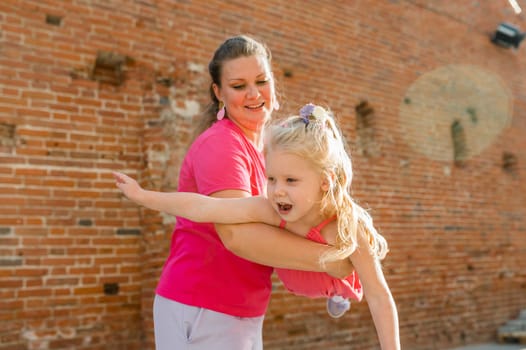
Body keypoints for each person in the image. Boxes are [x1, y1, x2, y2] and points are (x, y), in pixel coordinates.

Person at [121, 35, 354, 350]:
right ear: (218, 92)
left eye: (261, 80)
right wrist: (335, 260)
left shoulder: (267, 152)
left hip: (238, 309)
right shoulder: (222, 145)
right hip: (203, 307)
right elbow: (237, 237)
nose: (254, 93)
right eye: (239, 85)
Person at [114, 103, 401, 349]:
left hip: (334, 283)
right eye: (272, 178)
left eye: (291, 181)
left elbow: (379, 295)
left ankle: (338, 299)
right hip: (298, 277)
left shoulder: (348, 226)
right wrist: (144, 195)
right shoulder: (268, 208)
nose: (277, 190)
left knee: (342, 292)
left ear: (324, 181)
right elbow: (203, 207)